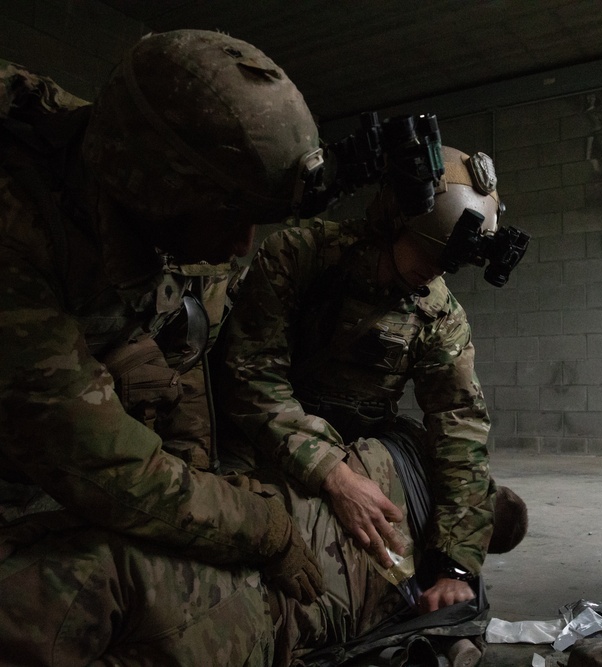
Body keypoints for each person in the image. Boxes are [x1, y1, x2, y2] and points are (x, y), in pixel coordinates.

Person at [0, 30, 328, 665]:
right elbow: (112, 474)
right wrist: (264, 530)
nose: (242, 245)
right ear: (161, 192)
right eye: (232, 215)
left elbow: (152, 348)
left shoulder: (109, 163)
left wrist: (197, 478)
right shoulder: (17, 226)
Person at [218, 145, 523, 622]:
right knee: (250, 529)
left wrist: (456, 570)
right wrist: (334, 475)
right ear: (393, 221)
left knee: (445, 509)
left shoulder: (440, 314)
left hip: (363, 438)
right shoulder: (301, 257)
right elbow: (251, 376)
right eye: (427, 253)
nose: (435, 271)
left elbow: (459, 429)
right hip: (261, 434)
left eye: (448, 262)